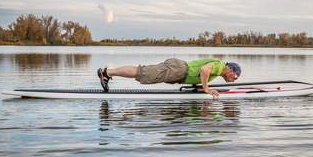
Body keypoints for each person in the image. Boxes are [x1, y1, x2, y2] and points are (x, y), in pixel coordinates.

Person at [97, 58, 241, 98]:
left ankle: (108, 72)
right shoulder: (220, 66)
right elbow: (204, 70)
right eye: (235, 77)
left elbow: (201, 72)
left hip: (178, 72)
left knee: (143, 73)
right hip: (178, 69)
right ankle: (107, 72)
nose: (233, 80)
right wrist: (206, 89)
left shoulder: (218, 70)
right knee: (142, 72)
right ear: (232, 70)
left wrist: (197, 86)